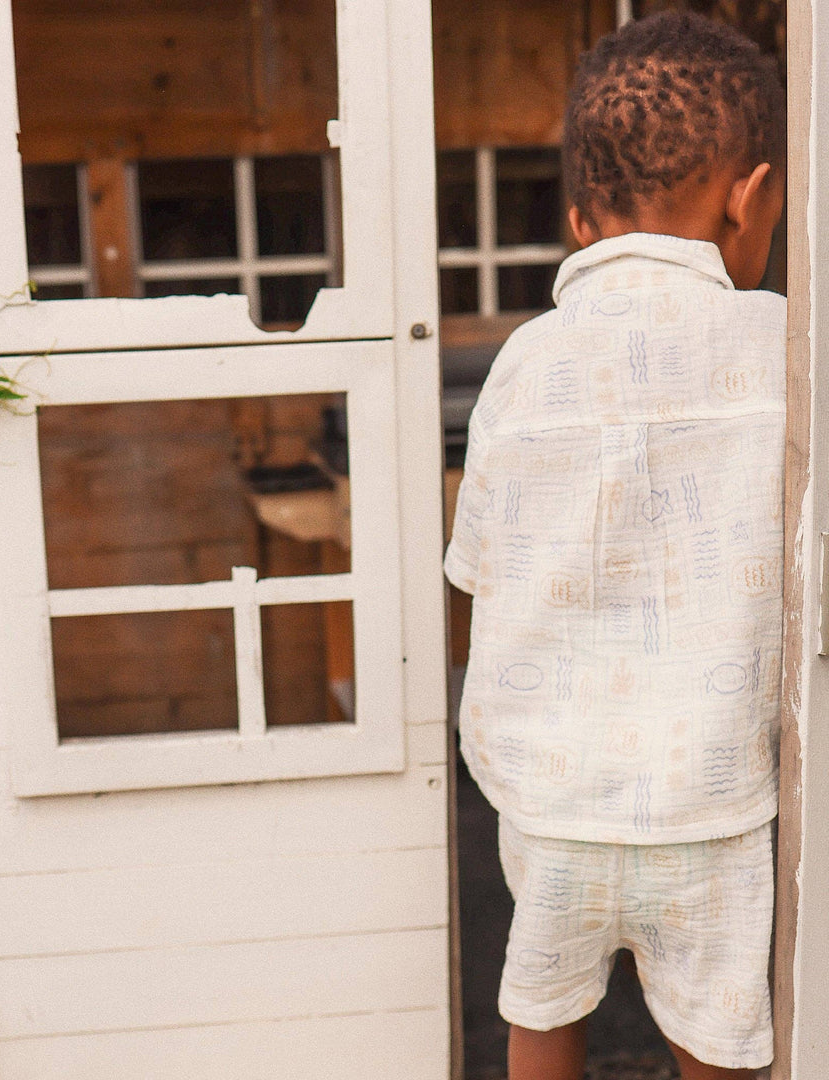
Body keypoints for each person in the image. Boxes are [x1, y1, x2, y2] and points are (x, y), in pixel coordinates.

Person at [444, 12, 786, 1080]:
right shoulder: (783, 350)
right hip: (713, 799)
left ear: (580, 217)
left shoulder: (523, 366)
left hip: (552, 801)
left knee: (541, 1014)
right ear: (754, 197)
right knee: (714, 1039)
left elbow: (475, 574)